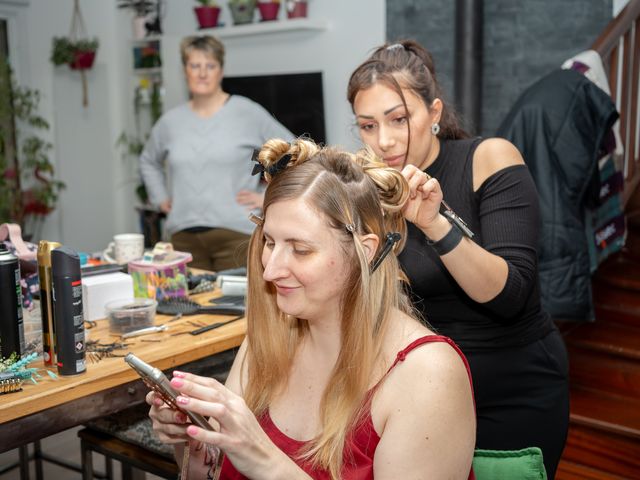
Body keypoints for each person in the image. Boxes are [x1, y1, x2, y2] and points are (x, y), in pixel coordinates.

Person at [147, 138, 476, 479]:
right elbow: (215, 473)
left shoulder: (427, 375)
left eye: (300, 250)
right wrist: (196, 446)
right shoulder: (268, 341)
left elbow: (256, 459)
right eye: (270, 243)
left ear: (364, 251)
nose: (270, 270)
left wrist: (261, 458)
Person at [347, 40, 569, 479]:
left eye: (398, 119)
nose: (384, 140)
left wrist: (434, 223)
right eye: (367, 126)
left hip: (511, 389)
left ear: (433, 112)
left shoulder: (487, 159)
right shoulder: (372, 193)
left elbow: (509, 295)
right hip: (427, 393)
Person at [139, 35, 293, 271]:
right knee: (188, 307)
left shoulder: (247, 112)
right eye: (195, 66)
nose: (202, 73)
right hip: (183, 239)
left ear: (221, 71)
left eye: (210, 66)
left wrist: (268, 197)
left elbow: (294, 151)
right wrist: (160, 198)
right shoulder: (170, 122)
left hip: (236, 236)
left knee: (236, 308)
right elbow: (148, 161)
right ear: (185, 71)